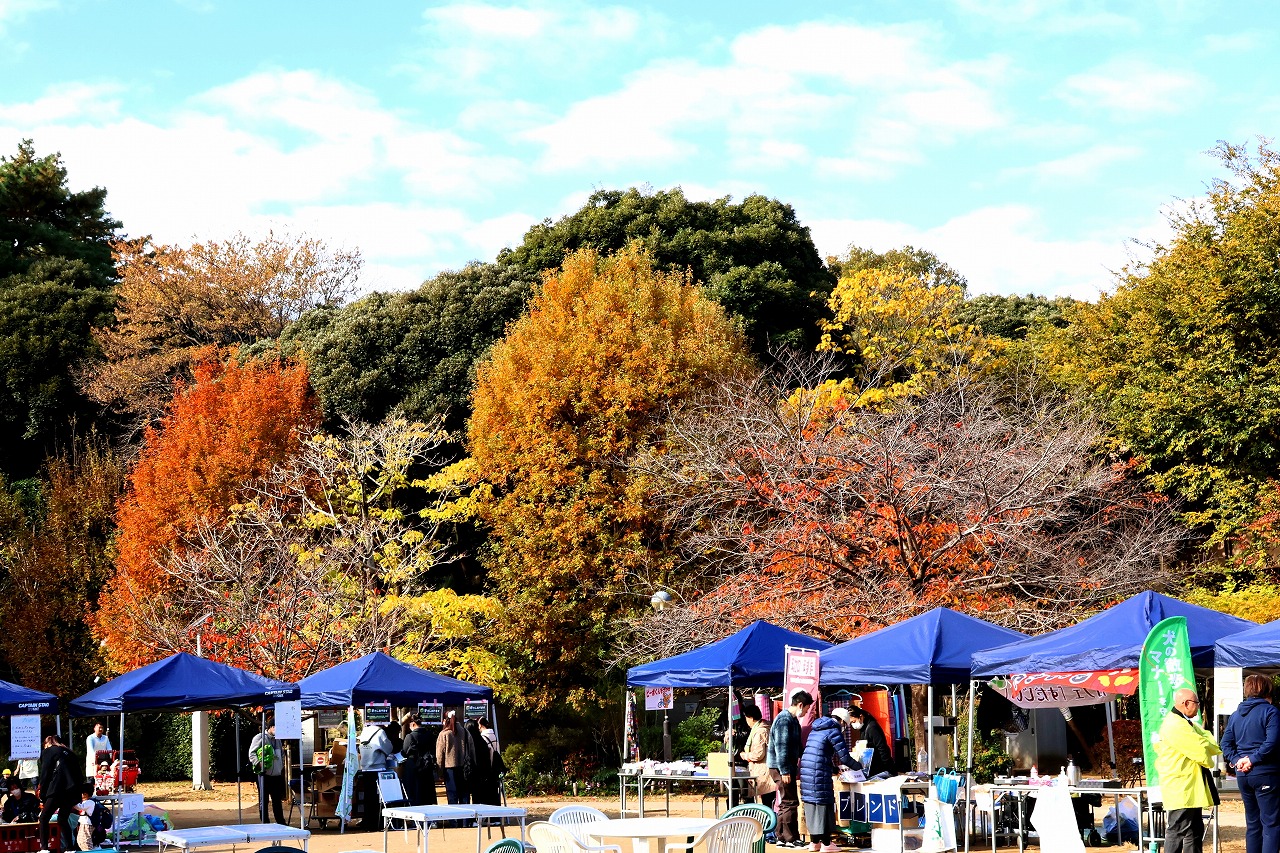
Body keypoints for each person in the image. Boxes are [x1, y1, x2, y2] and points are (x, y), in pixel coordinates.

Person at [1154, 687, 1222, 853]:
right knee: (1177, 829)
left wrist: (1206, 744)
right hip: (1181, 787)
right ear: (1186, 703)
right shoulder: (1175, 724)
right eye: (1196, 703)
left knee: (1194, 831)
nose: (1198, 707)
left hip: (1190, 787)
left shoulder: (1185, 722)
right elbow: (1201, 750)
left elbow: (1208, 740)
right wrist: (1206, 746)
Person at [1222, 674, 1280, 853]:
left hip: (1243, 775)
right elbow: (1272, 742)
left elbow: (1225, 743)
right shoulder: (1271, 712)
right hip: (1266, 773)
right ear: (1267, 690)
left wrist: (1237, 760)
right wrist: (1253, 759)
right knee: (1271, 824)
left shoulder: (1236, 715)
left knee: (1253, 823)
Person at [799, 714, 860, 853]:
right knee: (824, 805)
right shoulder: (834, 731)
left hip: (806, 772)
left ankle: (814, 842)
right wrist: (860, 768)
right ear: (841, 721)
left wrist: (833, 769)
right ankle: (826, 843)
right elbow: (844, 757)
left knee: (811, 805)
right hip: (819, 773)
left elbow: (818, 754)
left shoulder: (815, 729)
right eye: (845, 724)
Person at [768, 690, 814, 849]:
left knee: (785, 802)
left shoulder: (793, 720)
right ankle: (790, 838)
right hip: (781, 767)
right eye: (806, 708)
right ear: (800, 705)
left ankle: (781, 836)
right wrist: (785, 771)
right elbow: (781, 748)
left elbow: (797, 747)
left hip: (787, 766)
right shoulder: (784, 720)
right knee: (790, 801)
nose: (806, 712)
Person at [37, 734, 79, 853]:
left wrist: (43, 794)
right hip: (72, 790)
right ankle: (70, 849)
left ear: (47, 744)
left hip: (57, 788)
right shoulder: (70, 752)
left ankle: (44, 848)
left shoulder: (48, 751)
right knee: (62, 819)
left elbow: (46, 773)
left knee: (44, 818)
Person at [356, 719, 395, 829]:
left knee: (368, 796)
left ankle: (367, 821)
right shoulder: (380, 732)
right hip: (378, 767)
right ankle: (377, 823)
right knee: (378, 796)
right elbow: (388, 748)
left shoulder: (364, 732)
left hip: (365, 768)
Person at [248, 717, 286, 825]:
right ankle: (265, 823)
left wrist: (281, 766)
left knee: (277, 800)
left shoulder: (278, 740)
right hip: (264, 775)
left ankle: (281, 823)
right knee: (264, 800)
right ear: (271, 727)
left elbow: (282, 755)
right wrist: (259, 764)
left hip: (276, 775)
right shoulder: (260, 737)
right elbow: (252, 753)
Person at [739, 705, 776, 808]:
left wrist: (745, 755)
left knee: (767, 801)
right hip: (766, 770)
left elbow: (758, 754)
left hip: (763, 770)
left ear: (750, 718)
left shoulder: (760, 731)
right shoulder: (766, 727)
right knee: (768, 800)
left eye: (746, 718)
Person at [843, 705, 892, 776]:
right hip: (872, 767)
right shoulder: (864, 728)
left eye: (854, 721)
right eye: (851, 723)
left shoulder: (872, 727)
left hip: (880, 767)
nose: (853, 725)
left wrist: (889, 768)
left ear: (861, 717)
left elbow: (882, 748)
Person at [400, 717, 438, 806]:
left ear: (413, 724)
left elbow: (404, 752)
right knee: (427, 791)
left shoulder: (410, 736)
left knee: (414, 790)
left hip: (413, 766)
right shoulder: (430, 735)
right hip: (427, 766)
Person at [435, 712, 471, 807]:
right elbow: (471, 749)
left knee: (452, 797)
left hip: (449, 770)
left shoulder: (444, 734)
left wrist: (440, 773)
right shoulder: (465, 732)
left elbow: (440, 755)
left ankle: (454, 816)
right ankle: (466, 816)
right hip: (464, 768)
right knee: (464, 796)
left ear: (445, 720)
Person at [465, 719, 499, 805]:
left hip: (474, 776)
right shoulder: (482, 741)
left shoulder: (468, 743)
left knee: (476, 799)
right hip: (485, 775)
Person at [74, 786, 96, 851]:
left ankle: (88, 851)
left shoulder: (90, 802)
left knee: (85, 840)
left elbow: (80, 807)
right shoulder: (86, 802)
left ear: (85, 794)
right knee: (80, 839)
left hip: (87, 824)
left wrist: (72, 802)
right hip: (83, 823)